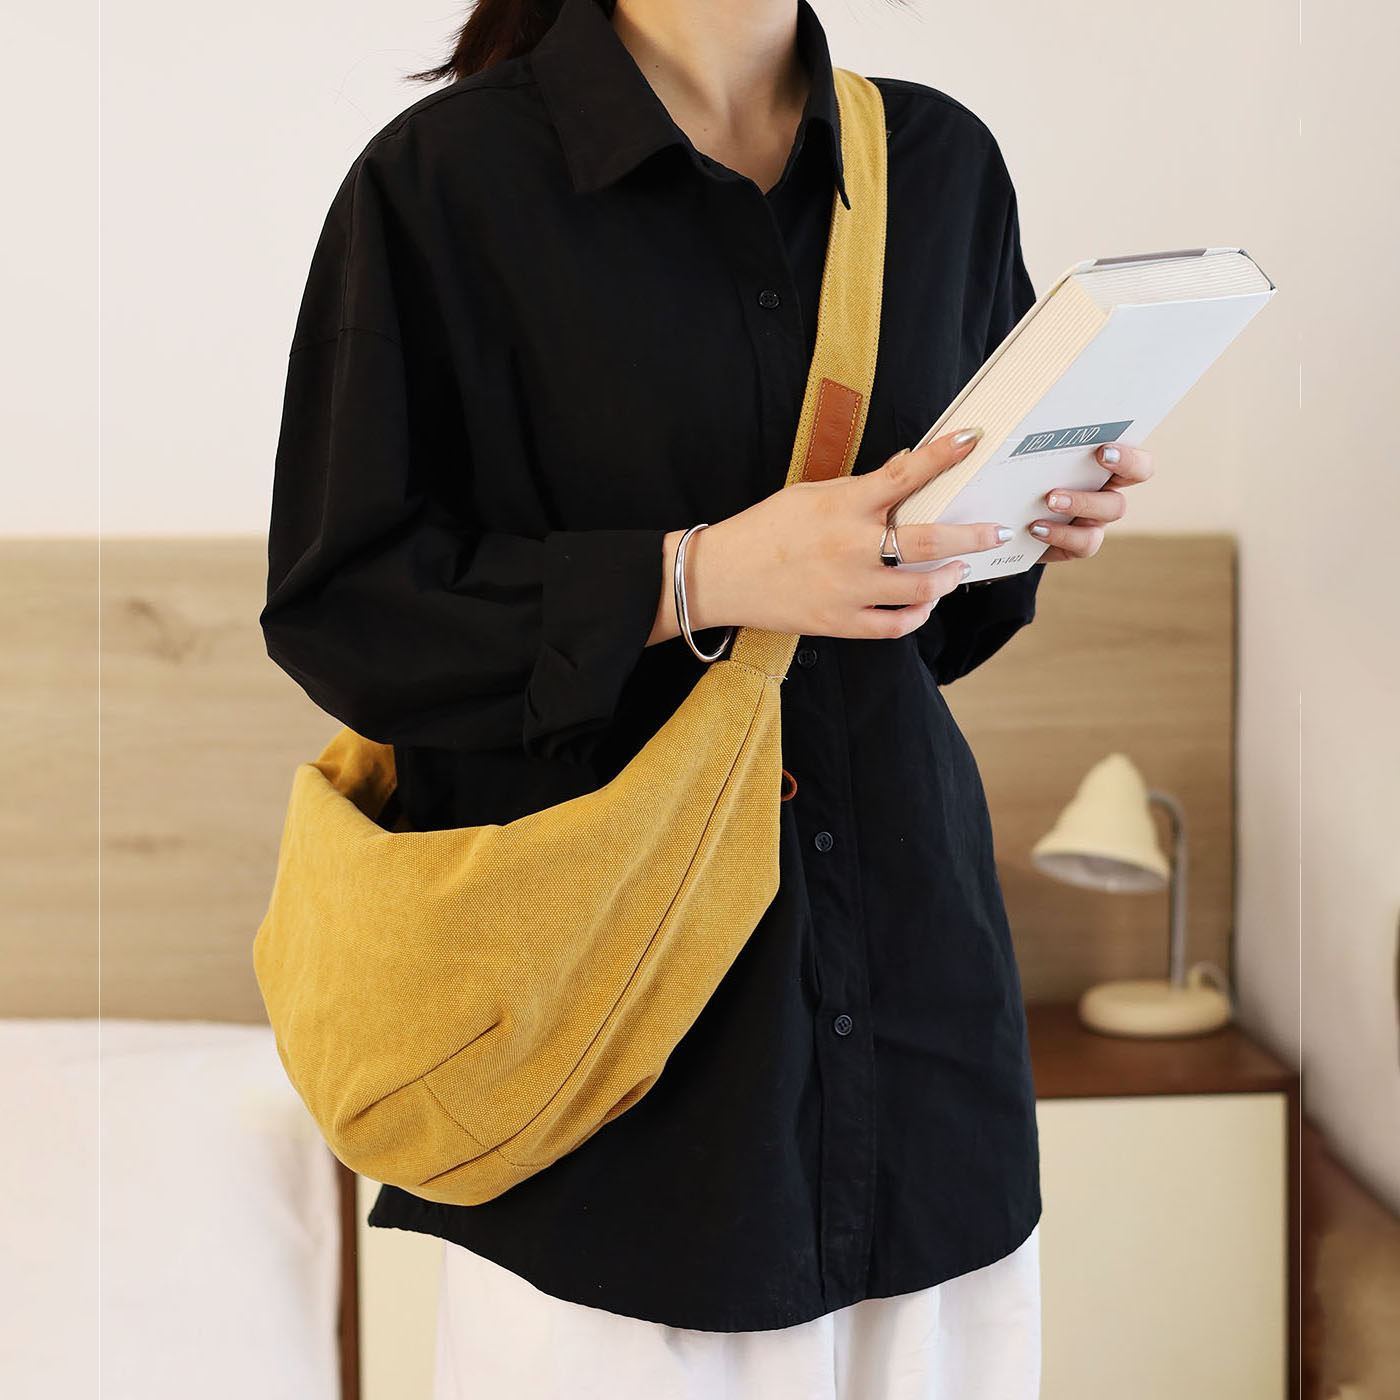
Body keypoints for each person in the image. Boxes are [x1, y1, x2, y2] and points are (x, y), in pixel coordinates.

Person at [260, 0, 1152, 1394]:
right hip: (608, 1097)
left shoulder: (940, 164)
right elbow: (349, 613)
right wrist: (700, 575)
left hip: (919, 1049)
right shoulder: (445, 182)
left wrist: (1022, 526)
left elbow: (926, 644)